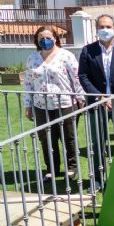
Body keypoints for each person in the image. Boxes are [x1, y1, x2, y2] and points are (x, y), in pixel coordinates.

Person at [78, 14, 114, 188]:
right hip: (97, 105)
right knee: (97, 143)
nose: (105, 30)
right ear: (96, 29)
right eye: (102, 27)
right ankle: (97, 179)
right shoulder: (88, 51)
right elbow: (83, 76)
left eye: (108, 26)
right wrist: (100, 97)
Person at [24, 25, 85, 181]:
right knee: (46, 138)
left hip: (65, 103)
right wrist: (28, 105)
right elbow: (28, 83)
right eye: (41, 39)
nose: (45, 41)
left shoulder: (66, 56)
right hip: (41, 105)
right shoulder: (32, 58)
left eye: (48, 38)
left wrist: (81, 98)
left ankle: (72, 168)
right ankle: (52, 169)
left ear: (55, 38)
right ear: (37, 41)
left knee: (68, 137)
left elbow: (76, 78)